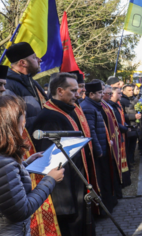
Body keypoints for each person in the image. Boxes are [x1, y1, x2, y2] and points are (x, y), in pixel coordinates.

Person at [31, 73, 99, 236]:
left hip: (76, 187)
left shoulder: (64, 111)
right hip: (67, 197)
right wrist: (64, 205)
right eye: (74, 90)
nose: (78, 94)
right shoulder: (49, 117)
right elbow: (51, 163)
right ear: (60, 91)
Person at [0, 95, 65, 236]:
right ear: (11, 121)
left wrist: (25, 164)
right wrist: (50, 180)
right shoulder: (5, 163)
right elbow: (21, 211)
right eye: (23, 115)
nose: (25, 122)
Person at [80, 82, 119, 213]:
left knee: (106, 178)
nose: (102, 95)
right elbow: (91, 131)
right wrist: (98, 150)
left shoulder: (94, 105)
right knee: (101, 180)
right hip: (99, 151)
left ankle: (108, 205)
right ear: (91, 94)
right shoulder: (88, 108)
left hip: (102, 147)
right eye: (99, 93)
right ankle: (103, 209)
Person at [4, 42, 48, 130]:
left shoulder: (32, 82)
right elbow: (11, 121)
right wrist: (45, 119)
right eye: (34, 57)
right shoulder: (7, 85)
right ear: (23, 62)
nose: (40, 60)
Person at [106, 86, 131, 188]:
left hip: (122, 134)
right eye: (119, 93)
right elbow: (114, 122)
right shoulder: (110, 106)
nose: (121, 95)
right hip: (116, 136)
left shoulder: (116, 105)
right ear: (112, 94)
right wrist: (124, 128)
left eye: (121, 93)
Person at [120, 84, 141, 167]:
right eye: (129, 90)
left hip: (135, 126)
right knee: (127, 147)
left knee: (133, 146)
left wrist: (140, 115)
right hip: (128, 126)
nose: (131, 91)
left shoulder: (135, 99)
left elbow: (139, 110)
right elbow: (121, 115)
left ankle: (131, 161)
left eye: (132, 90)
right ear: (124, 91)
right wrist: (134, 116)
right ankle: (128, 163)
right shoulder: (122, 100)